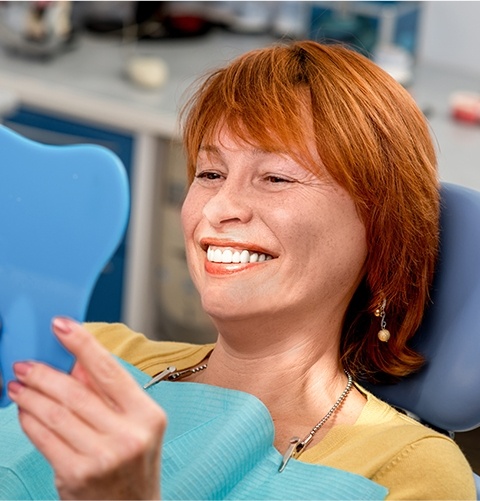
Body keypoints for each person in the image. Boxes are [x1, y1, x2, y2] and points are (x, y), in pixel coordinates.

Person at [2, 40, 476, 500]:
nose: (219, 208)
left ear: (379, 229)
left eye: (275, 178)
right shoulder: (92, 353)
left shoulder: (410, 473)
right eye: (210, 174)